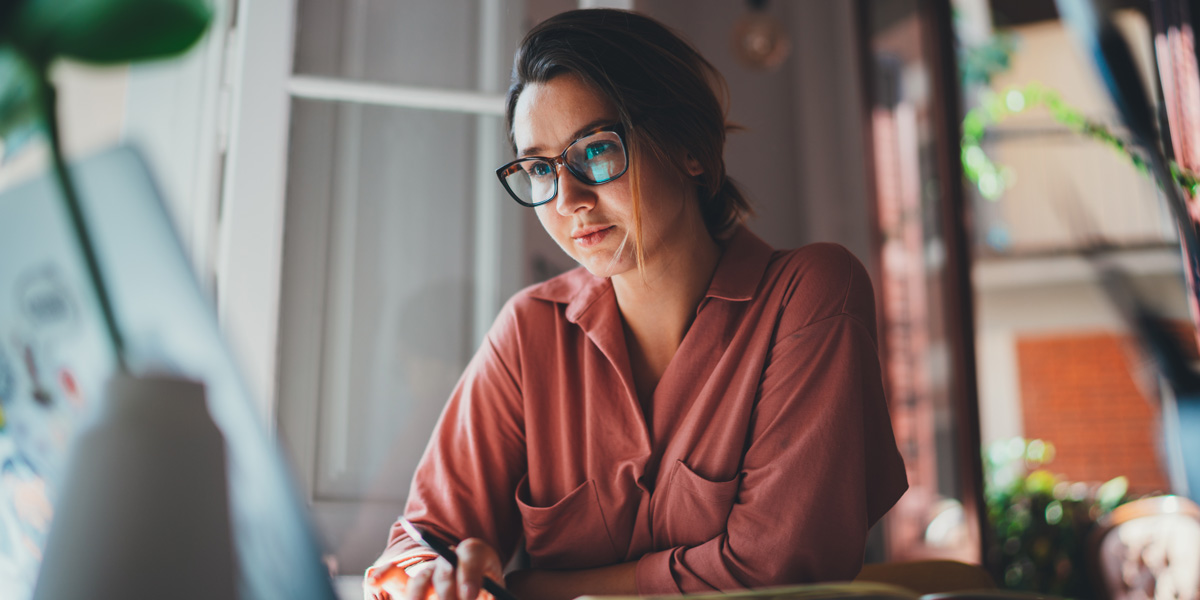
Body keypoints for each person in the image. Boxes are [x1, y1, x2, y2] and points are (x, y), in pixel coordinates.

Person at [364, 8, 907, 600]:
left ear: (688, 147)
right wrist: (429, 577)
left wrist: (530, 590)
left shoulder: (810, 295)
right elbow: (423, 537)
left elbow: (772, 571)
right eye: (539, 168)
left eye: (595, 150)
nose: (567, 198)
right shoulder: (529, 333)